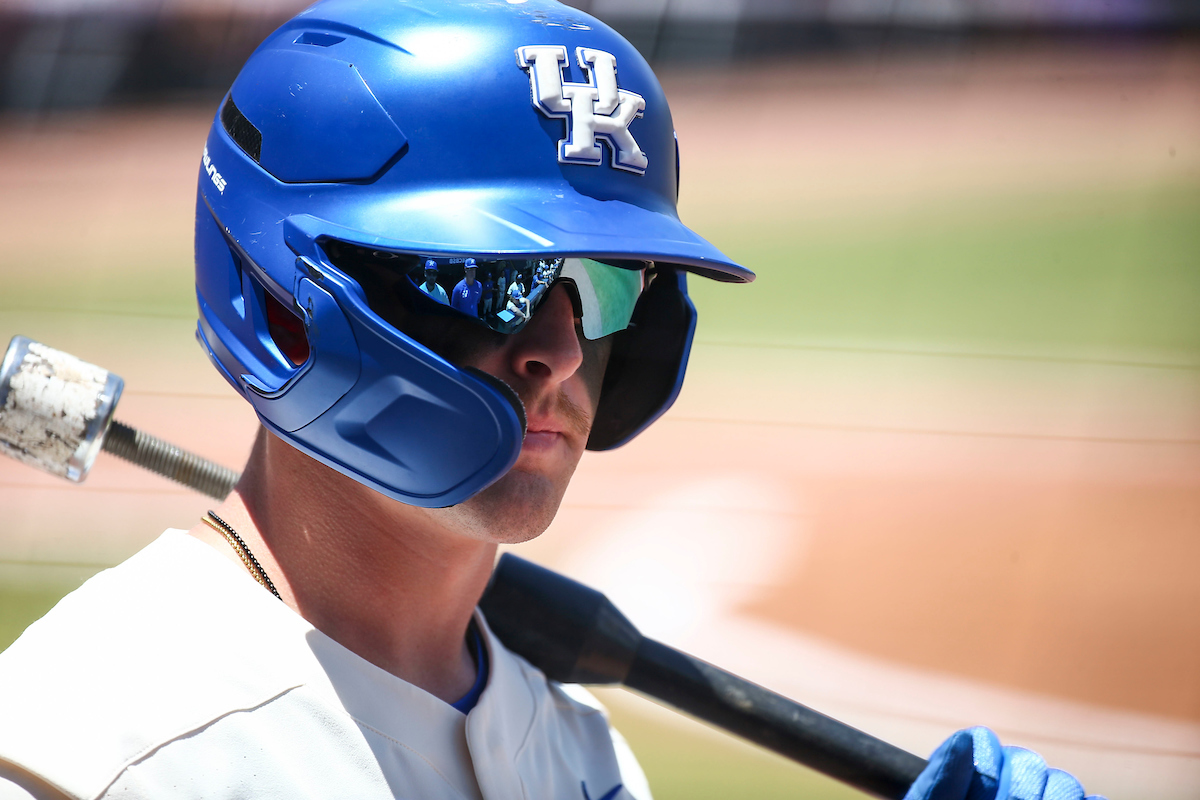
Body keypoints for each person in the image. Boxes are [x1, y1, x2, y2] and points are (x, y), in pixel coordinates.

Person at [0, 1, 1102, 799]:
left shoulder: (577, 752)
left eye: (605, 284)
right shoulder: (87, 749)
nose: (561, 354)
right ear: (285, 289)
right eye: (490, 281)